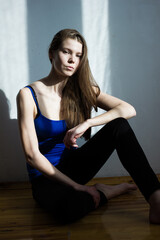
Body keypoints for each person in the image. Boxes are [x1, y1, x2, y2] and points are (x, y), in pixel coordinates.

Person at [17, 29, 160, 224]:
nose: (72, 60)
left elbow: (128, 109)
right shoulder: (28, 95)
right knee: (69, 210)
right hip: (45, 179)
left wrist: (88, 122)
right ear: (51, 53)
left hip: (74, 167)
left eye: (78, 55)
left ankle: (156, 199)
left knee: (119, 125)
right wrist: (78, 187)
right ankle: (106, 191)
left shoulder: (81, 89)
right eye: (66, 52)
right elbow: (32, 156)